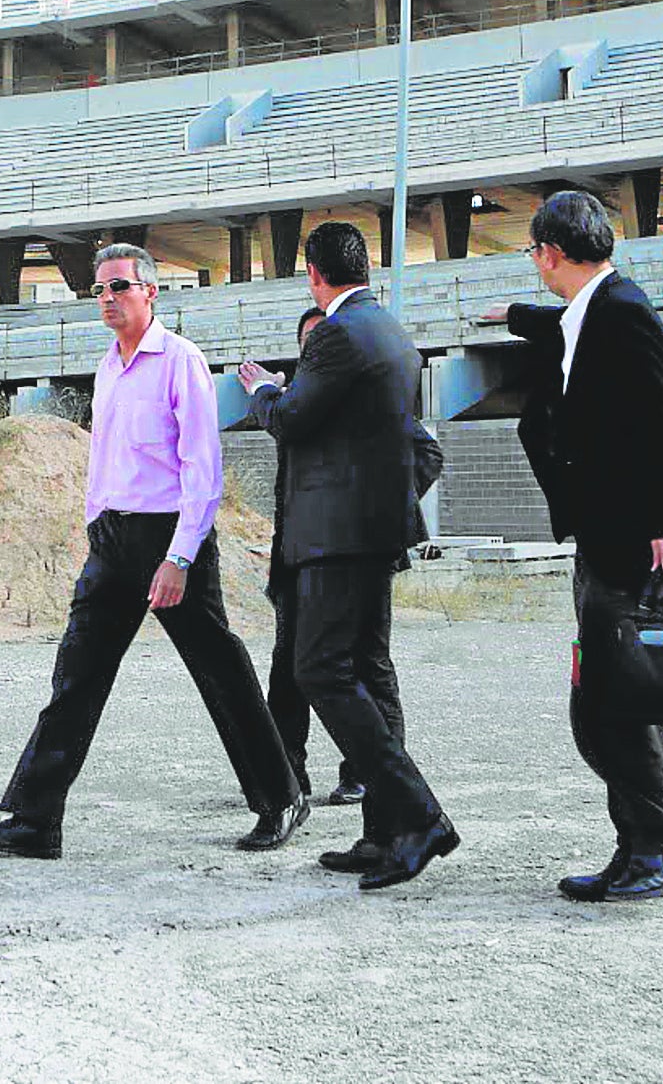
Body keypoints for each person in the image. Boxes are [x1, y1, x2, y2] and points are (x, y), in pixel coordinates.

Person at [0, 244, 307, 861]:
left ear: (151, 292)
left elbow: (203, 469)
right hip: (112, 541)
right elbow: (104, 457)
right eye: (99, 289)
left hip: (171, 539)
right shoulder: (107, 368)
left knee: (219, 671)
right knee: (76, 677)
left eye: (119, 286)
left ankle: (280, 798)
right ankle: (35, 820)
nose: (107, 298)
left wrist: (178, 557)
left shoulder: (181, 363)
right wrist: (95, 521)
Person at [497, 191, 663, 903]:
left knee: (612, 701)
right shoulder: (590, 311)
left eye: (534, 254)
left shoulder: (623, 312)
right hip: (604, 532)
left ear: (550, 253)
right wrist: (516, 317)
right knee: (607, 700)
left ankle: (662, 841)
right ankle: (642, 841)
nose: (534, 266)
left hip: (634, 538)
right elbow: (558, 326)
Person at [237, 222, 458, 891]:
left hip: (337, 537)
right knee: (370, 672)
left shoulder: (334, 333)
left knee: (319, 668)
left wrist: (262, 390)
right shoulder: (391, 331)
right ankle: (384, 830)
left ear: (313, 272)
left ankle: (418, 816)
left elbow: (294, 418)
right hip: (376, 533)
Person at [259, 306, 443, 825]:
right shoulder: (303, 398)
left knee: (365, 665)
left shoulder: (370, 402)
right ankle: (288, 773)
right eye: (311, 345)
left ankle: (371, 778)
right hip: (299, 552)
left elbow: (426, 455)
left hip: (355, 550)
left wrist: (378, 508)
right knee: (290, 668)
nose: (321, 350)